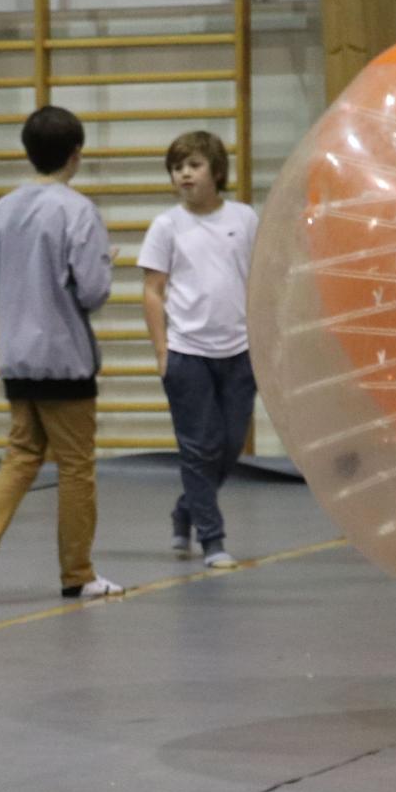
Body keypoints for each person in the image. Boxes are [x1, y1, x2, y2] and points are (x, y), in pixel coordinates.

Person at [0, 105, 121, 605]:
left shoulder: (4, 209)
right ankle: (78, 572)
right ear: (76, 155)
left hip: (17, 357)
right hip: (65, 358)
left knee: (21, 456)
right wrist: (101, 266)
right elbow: (92, 290)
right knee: (75, 466)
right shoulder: (77, 210)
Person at [139, 130, 260, 571]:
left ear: (217, 170)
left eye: (194, 165)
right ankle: (212, 538)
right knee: (198, 448)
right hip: (187, 352)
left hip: (240, 350)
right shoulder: (166, 226)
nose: (184, 174)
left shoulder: (245, 218)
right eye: (177, 168)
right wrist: (162, 351)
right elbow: (153, 291)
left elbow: (260, 277)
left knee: (228, 446)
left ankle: (186, 509)